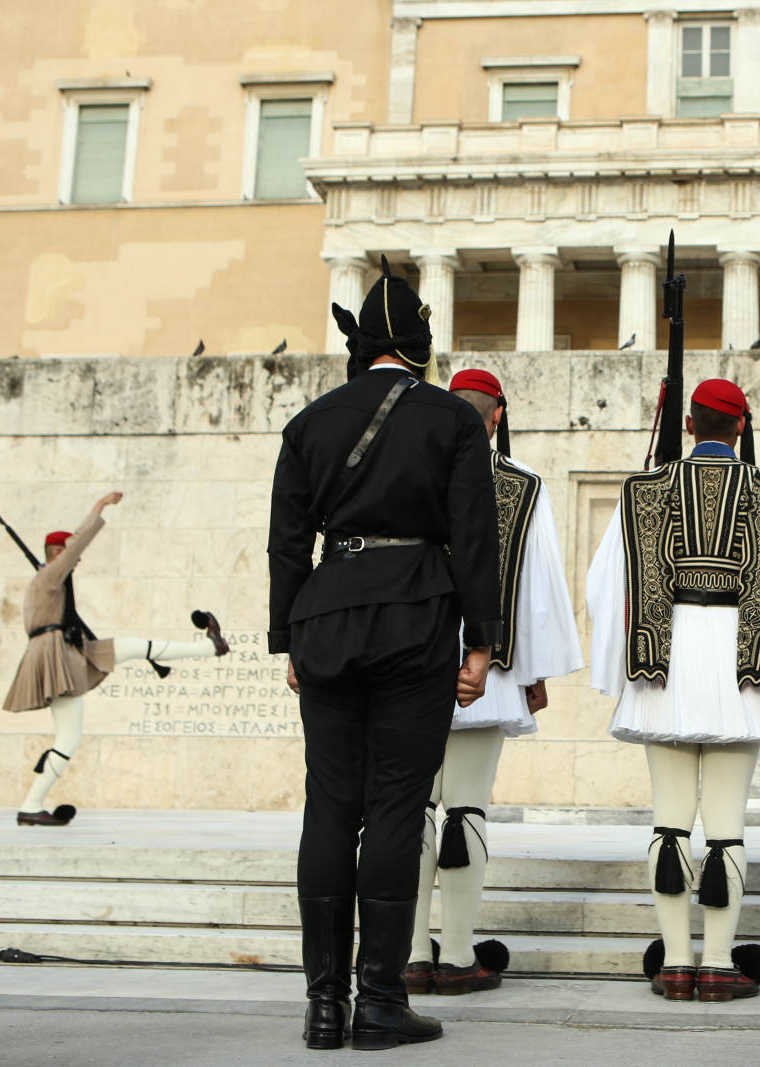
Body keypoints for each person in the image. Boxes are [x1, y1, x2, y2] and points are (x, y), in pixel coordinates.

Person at [269, 259, 500, 1051]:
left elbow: (287, 543)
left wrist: (287, 637)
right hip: (417, 618)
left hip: (327, 618)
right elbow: (474, 536)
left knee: (331, 805)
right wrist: (483, 642)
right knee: (400, 805)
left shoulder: (312, 422)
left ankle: (322, 1003)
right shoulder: (452, 420)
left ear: (359, 345)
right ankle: (379, 1000)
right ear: (422, 346)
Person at [587, 379, 760, 1003]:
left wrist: (619, 669)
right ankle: (718, 966)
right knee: (726, 826)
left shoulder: (642, 490)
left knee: (668, 822)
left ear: (688, 426)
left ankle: (673, 964)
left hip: (661, 664)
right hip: (743, 669)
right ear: (740, 427)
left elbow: (605, 587)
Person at [404, 369, 583, 997]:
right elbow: (536, 588)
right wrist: (532, 671)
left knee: (415, 808)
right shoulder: (521, 485)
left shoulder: (409, 473)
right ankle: (456, 957)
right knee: (467, 806)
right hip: (490, 664)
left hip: (411, 660)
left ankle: (409, 954)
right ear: (496, 416)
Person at [3, 491, 230, 826]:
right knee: (68, 738)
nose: (75, 562)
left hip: (68, 651)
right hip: (59, 657)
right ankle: (32, 805)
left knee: (132, 647)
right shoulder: (51, 575)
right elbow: (79, 542)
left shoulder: (46, 580)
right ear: (58, 553)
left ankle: (211, 647)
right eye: (70, 557)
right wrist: (100, 504)